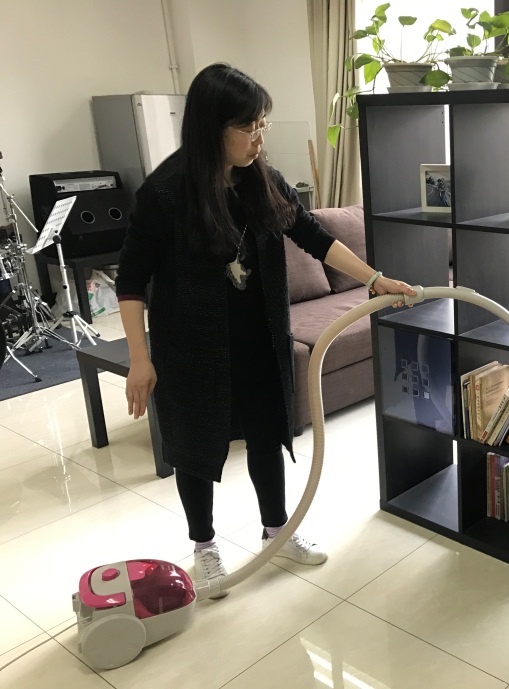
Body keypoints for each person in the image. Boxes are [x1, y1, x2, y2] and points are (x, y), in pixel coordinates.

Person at [115, 63, 415, 598]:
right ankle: (204, 547)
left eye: (262, 125)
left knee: (267, 436)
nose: (258, 139)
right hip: (190, 349)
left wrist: (374, 278)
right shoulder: (164, 193)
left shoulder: (263, 181)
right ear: (212, 127)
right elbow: (131, 282)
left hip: (260, 338)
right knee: (194, 448)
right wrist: (141, 359)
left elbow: (313, 235)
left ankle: (277, 531)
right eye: (248, 127)